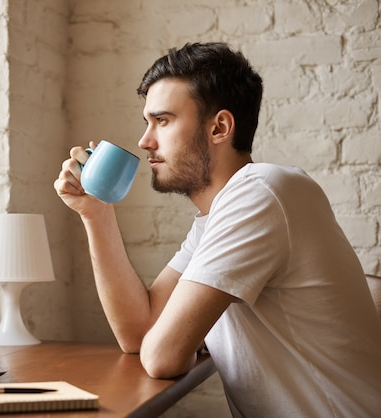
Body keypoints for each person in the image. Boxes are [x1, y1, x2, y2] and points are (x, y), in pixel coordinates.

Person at [54, 42, 381, 417]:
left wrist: (180, 337)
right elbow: (139, 334)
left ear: (220, 127)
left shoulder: (260, 192)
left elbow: (161, 356)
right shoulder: (217, 218)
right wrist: (96, 213)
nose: (145, 141)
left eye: (162, 120)